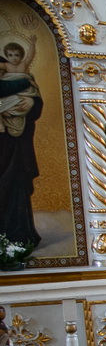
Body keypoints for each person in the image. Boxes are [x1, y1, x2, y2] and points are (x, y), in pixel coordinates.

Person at [0, 69, 40, 247]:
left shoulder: (19, 77)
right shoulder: (20, 81)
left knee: (17, 184)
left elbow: (36, 109)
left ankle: (20, 235)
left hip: (16, 145)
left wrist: (33, 101)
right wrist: (25, 82)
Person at [0, 40, 38, 138]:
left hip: (24, 93)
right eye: (10, 55)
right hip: (10, 93)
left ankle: (10, 112)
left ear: (21, 56)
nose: (14, 58)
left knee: (17, 101)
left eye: (17, 55)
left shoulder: (23, 65)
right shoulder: (6, 65)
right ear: (7, 56)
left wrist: (32, 45)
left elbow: (30, 56)